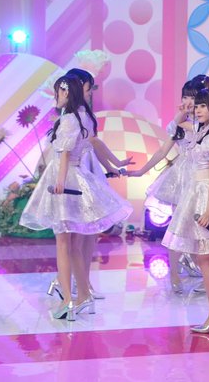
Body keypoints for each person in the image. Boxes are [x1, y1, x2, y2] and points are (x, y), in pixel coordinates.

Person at [21, 74, 132, 320]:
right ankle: (82, 294)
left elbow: (64, 154)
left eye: (58, 92)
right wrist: (115, 164)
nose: (56, 97)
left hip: (66, 179)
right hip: (79, 176)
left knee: (64, 243)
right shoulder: (85, 117)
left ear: (66, 93)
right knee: (73, 245)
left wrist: (60, 181)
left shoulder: (69, 119)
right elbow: (93, 144)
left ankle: (68, 299)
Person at [46, 68, 133, 301]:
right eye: (88, 87)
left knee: (83, 235)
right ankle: (73, 285)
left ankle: (78, 287)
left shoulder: (80, 117)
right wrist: (114, 165)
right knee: (76, 237)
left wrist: (115, 165)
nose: (90, 92)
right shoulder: (73, 117)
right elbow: (76, 148)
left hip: (81, 172)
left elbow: (93, 144)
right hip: (78, 171)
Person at [161, 88, 209, 333]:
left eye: (203, 105)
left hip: (206, 196)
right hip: (196, 192)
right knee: (205, 259)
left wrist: (208, 210)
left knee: (206, 259)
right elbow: (176, 126)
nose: (198, 110)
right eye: (198, 106)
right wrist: (183, 111)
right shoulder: (202, 131)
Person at [127, 76, 209, 292]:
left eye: (193, 98)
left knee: (200, 226)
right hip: (181, 177)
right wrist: (141, 171)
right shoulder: (177, 124)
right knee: (177, 227)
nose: (188, 102)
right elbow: (163, 151)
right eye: (185, 97)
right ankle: (174, 274)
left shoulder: (206, 123)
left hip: (202, 175)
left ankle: (193, 263)